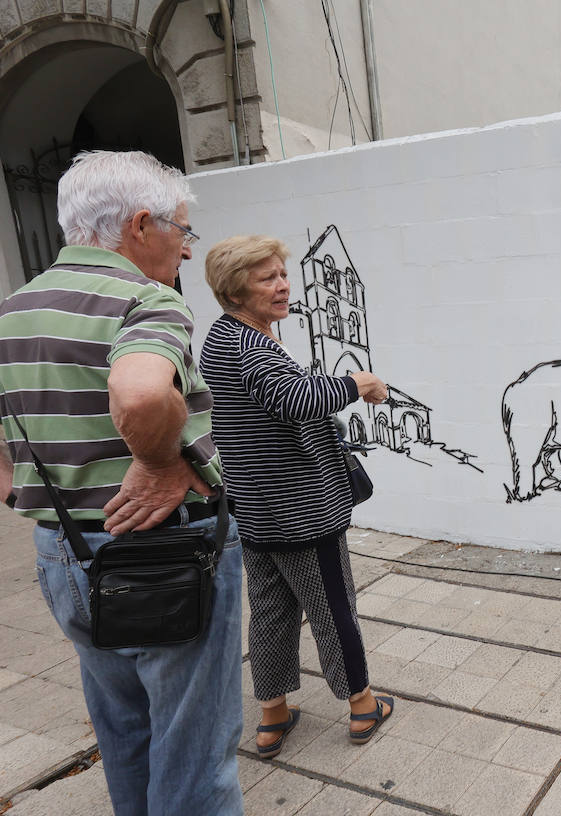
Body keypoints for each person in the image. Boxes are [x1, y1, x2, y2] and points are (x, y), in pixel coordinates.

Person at [0, 152, 244, 814]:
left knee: (125, 731)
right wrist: (160, 462)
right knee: (195, 757)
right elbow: (139, 394)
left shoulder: (10, 313)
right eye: (182, 231)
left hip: (62, 553)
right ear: (138, 226)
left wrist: (12, 491)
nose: (187, 250)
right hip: (166, 556)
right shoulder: (146, 299)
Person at [198, 235, 394, 759]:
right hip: (301, 511)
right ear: (236, 290)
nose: (284, 285)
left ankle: (272, 716)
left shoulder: (222, 338)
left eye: (283, 274)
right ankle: (362, 704)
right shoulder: (251, 347)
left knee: (269, 611)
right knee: (333, 607)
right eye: (268, 278)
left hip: (258, 509)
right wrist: (359, 384)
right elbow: (297, 399)